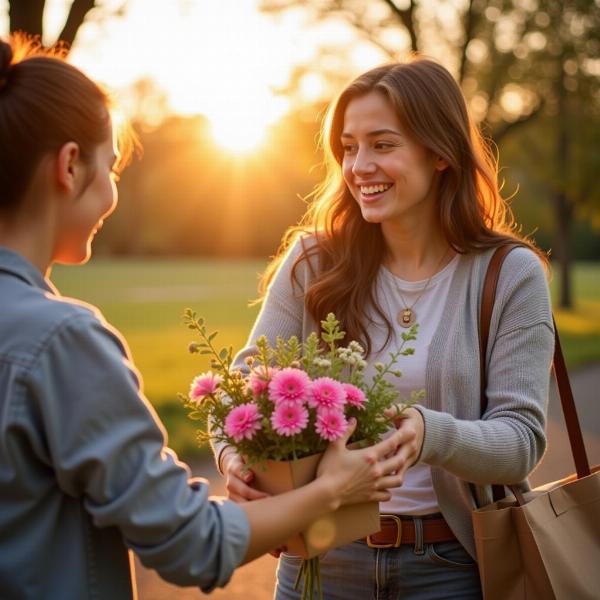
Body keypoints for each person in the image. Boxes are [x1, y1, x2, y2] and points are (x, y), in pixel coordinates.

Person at [0, 36, 411, 600]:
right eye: (112, 167)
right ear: (70, 166)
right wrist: (330, 491)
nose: (113, 190)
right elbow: (191, 542)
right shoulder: (60, 342)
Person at [216, 57, 555, 599]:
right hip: (320, 563)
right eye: (349, 147)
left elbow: (521, 440)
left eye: (382, 144)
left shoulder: (509, 272)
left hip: (452, 568)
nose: (358, 166)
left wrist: (429, 434)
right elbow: (243, 384)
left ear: (440, 152)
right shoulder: (312, 260)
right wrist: (233, 458)